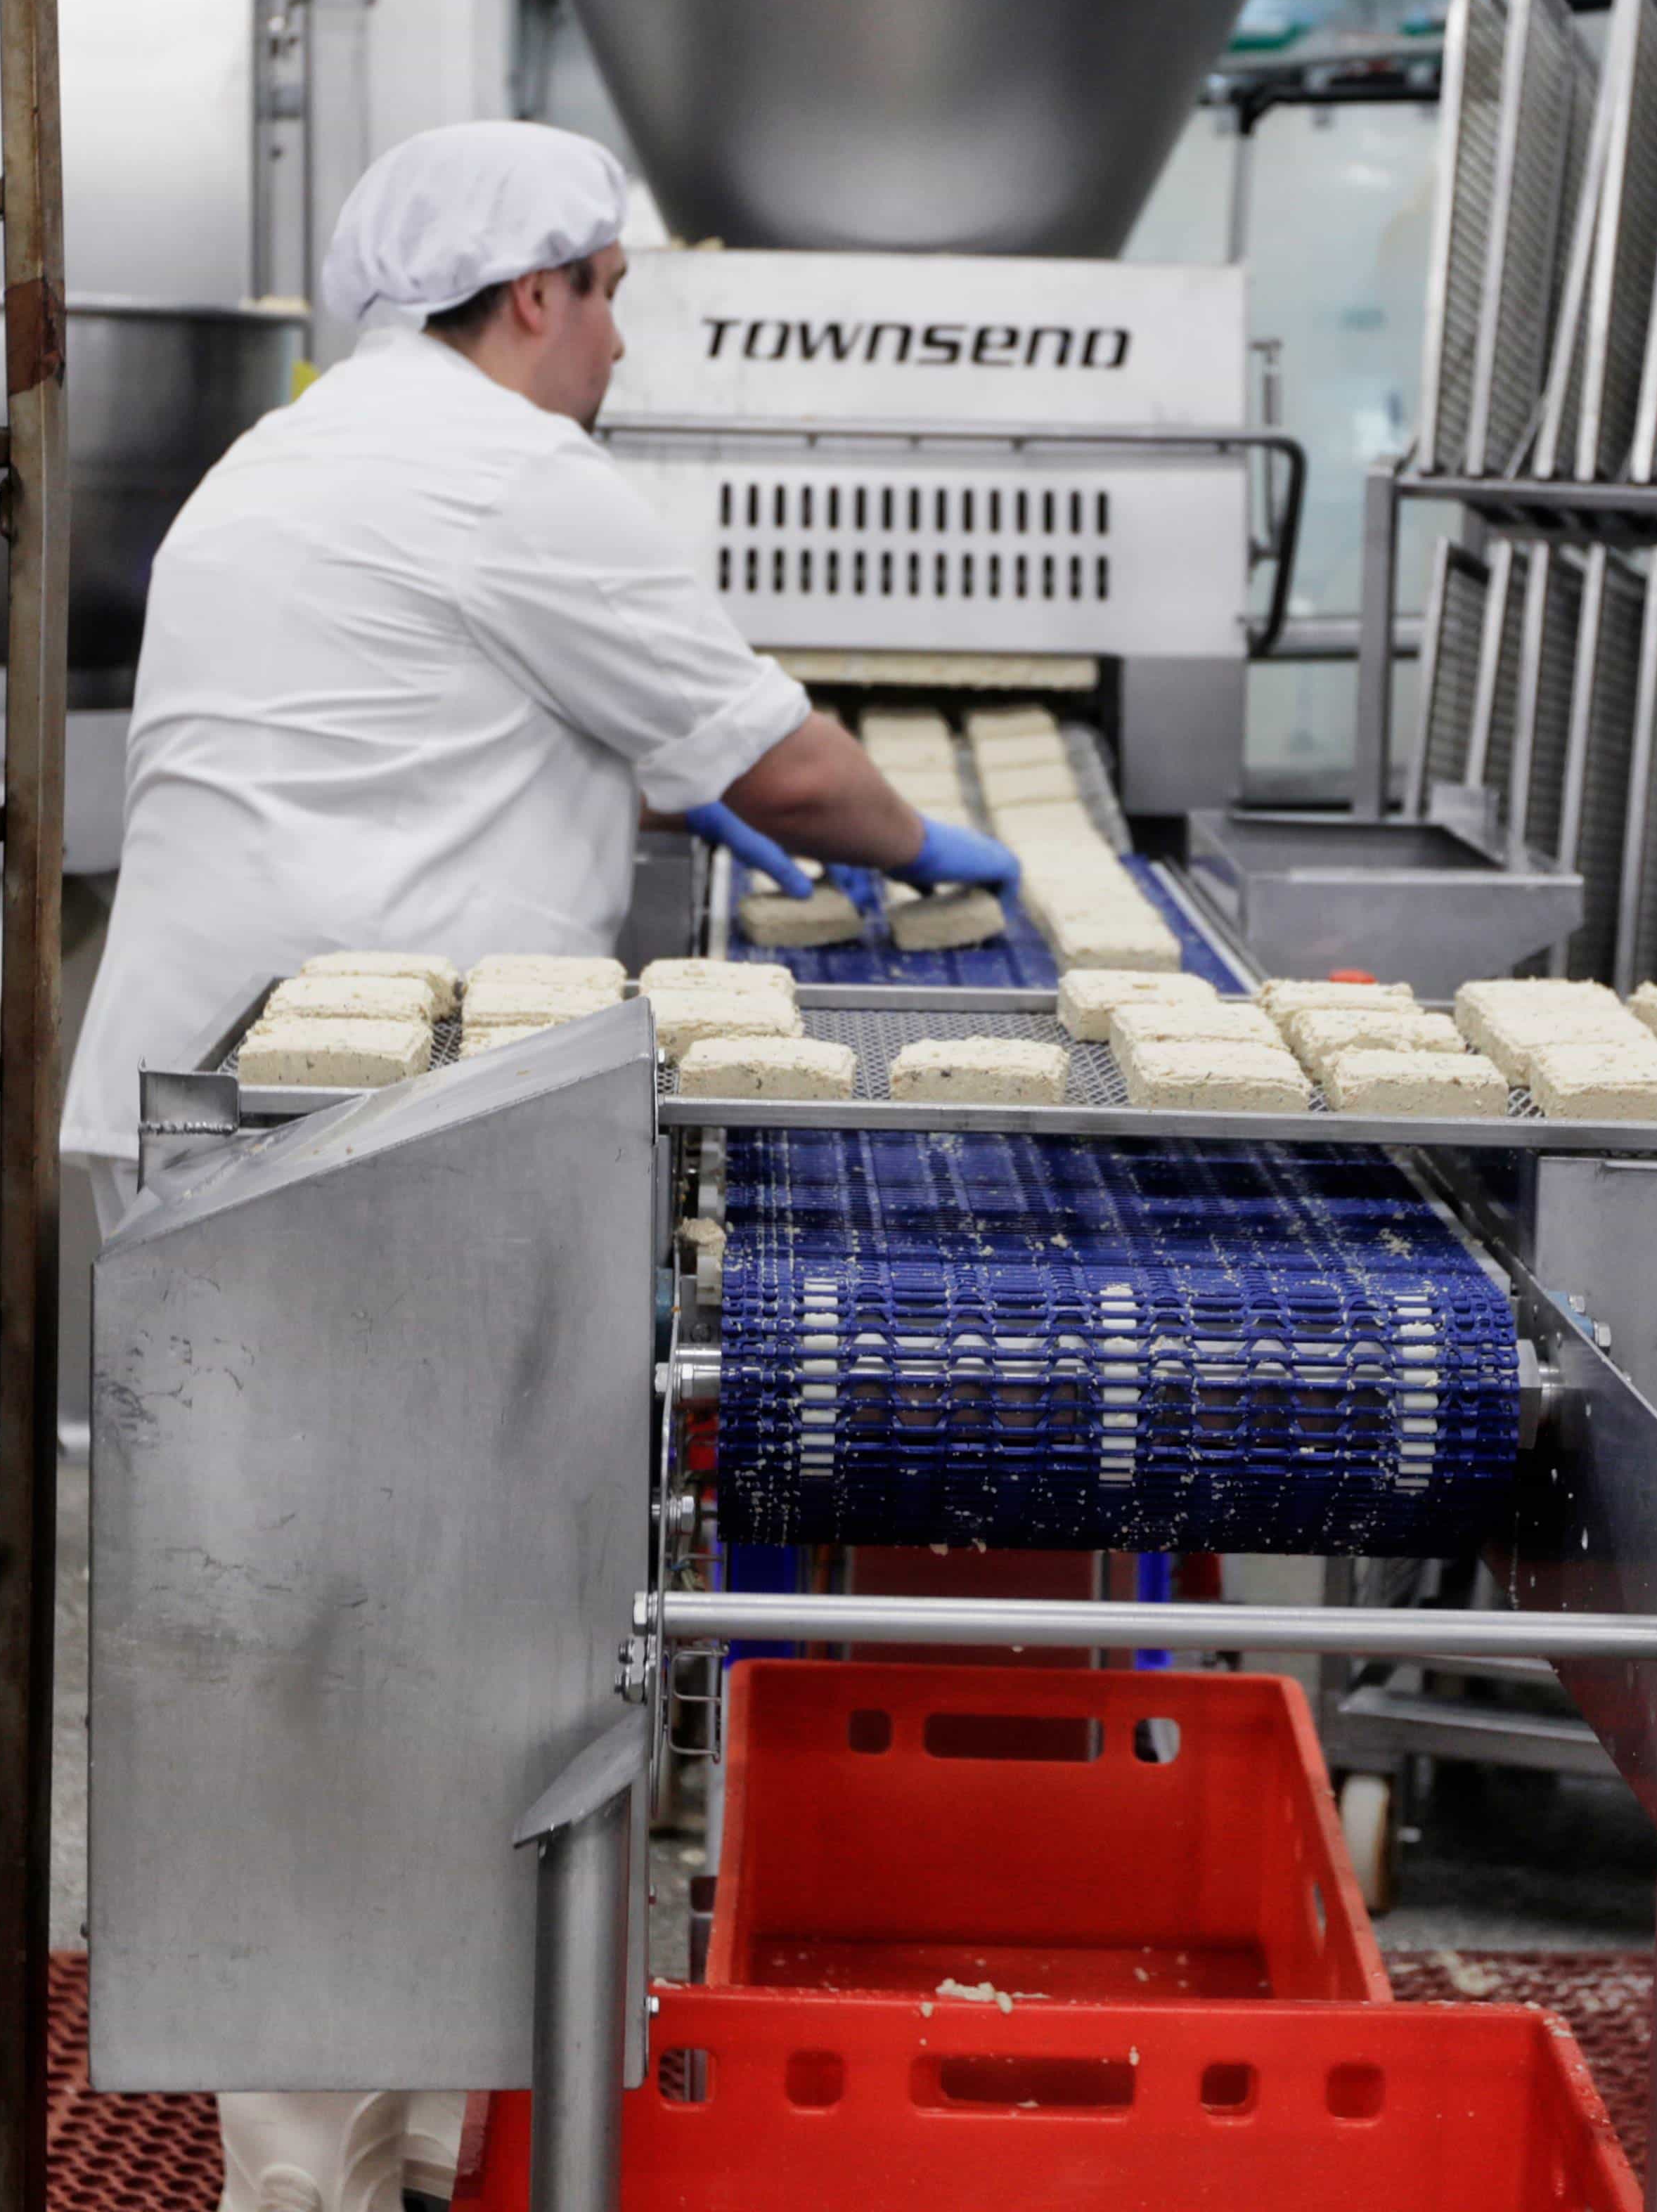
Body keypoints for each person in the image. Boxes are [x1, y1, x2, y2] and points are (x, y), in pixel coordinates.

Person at [64, 121, 1017, 2212]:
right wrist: (934, 852)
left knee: (379, 1647)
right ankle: (311, 2181)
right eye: (605, 293)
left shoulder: (313, 446)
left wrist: (653, 801)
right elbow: (788, 759)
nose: (619, 336)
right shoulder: (510, 473)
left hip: (264, 1122)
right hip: (351, 1148)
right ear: (529, 300)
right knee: (347, 1669)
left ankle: (398, 2146)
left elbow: (457, 724)